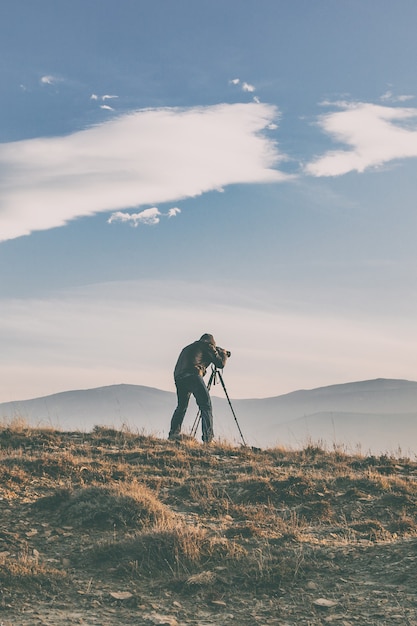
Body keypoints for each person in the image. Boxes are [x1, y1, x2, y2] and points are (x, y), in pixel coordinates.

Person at [168, 333, 229, 443]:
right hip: (193, 374)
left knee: (181, 406)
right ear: (211, 343)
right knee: (206, 405)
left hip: (179, 377)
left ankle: (173, 433)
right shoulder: (208, 346)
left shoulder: (188, 347)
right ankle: (208, 438)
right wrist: (223, 354)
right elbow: (220, 363)